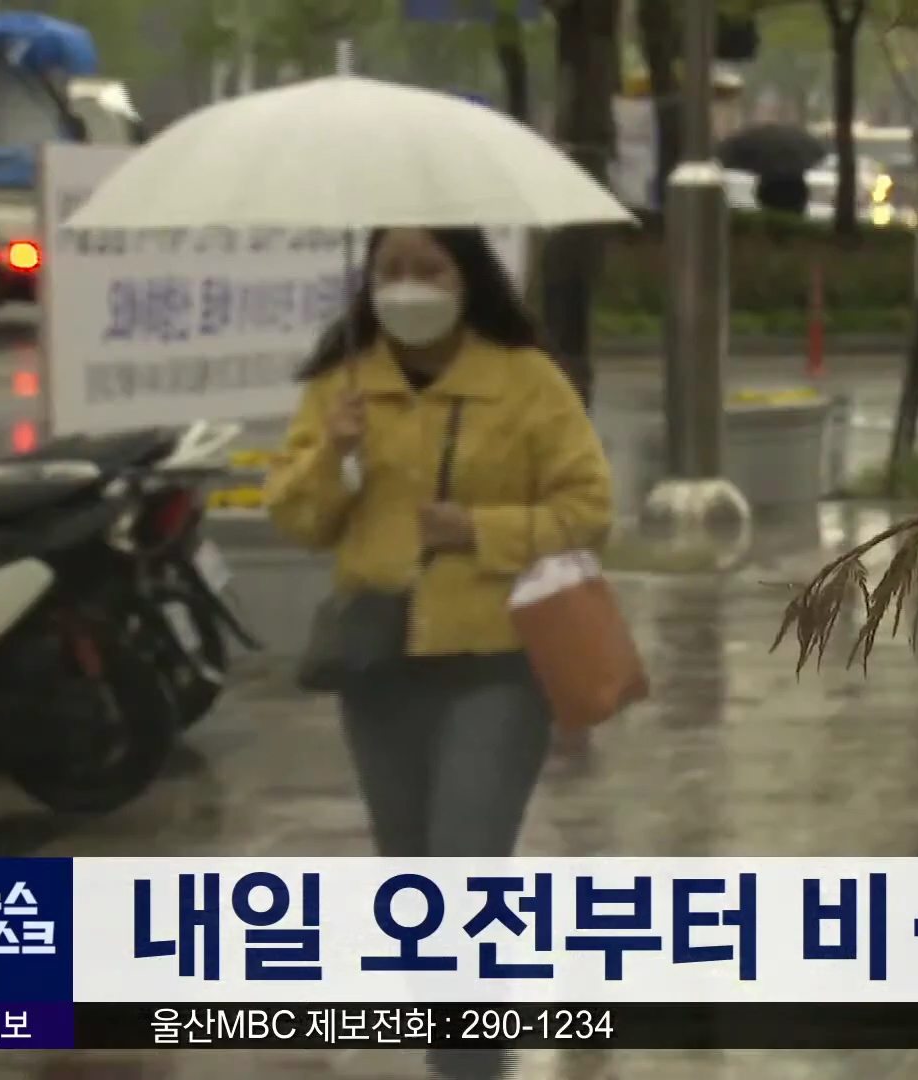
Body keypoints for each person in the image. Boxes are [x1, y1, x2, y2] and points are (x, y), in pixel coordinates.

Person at [264, 226, 612, 1080]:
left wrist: (479, 530)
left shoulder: (526, 381)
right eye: (390, 269)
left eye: (429, 268)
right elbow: (296, 520)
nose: (408, 286)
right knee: (415, 886)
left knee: (463, 870)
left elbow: (588, 509)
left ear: (467, 279)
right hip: (378, 668)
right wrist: (334, 454)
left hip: (499, 661)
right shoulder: (344, 386)